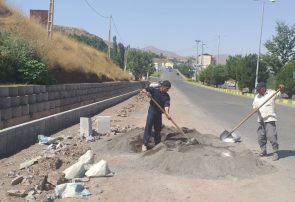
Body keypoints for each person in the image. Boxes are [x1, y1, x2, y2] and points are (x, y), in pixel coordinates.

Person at [252, 82, 285, 161]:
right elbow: (254, 106)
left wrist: (282, 88)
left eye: (259, 89)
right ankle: (263, 151)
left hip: (269, 119)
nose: (258, 91)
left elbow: (281, 92)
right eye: (257, 90)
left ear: (263, 88)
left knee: (271, 136)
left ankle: (275, 152)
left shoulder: (272, 93)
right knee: (260, 137)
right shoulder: (257, 97)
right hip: (261, 120)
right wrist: (255, 109)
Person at [141, 80, 172, 152]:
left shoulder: (166, 96)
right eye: (167, 89)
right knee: (148, 126)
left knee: (158, 128)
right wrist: (146, 92)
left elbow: (166, 105)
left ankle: (157, 144)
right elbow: (144, 89)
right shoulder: (155, 90)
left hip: (159, 113)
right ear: (163, 87)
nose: (167, 90)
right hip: (152, 110)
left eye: (168, 89)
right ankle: (145, 144)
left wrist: (167, 114)